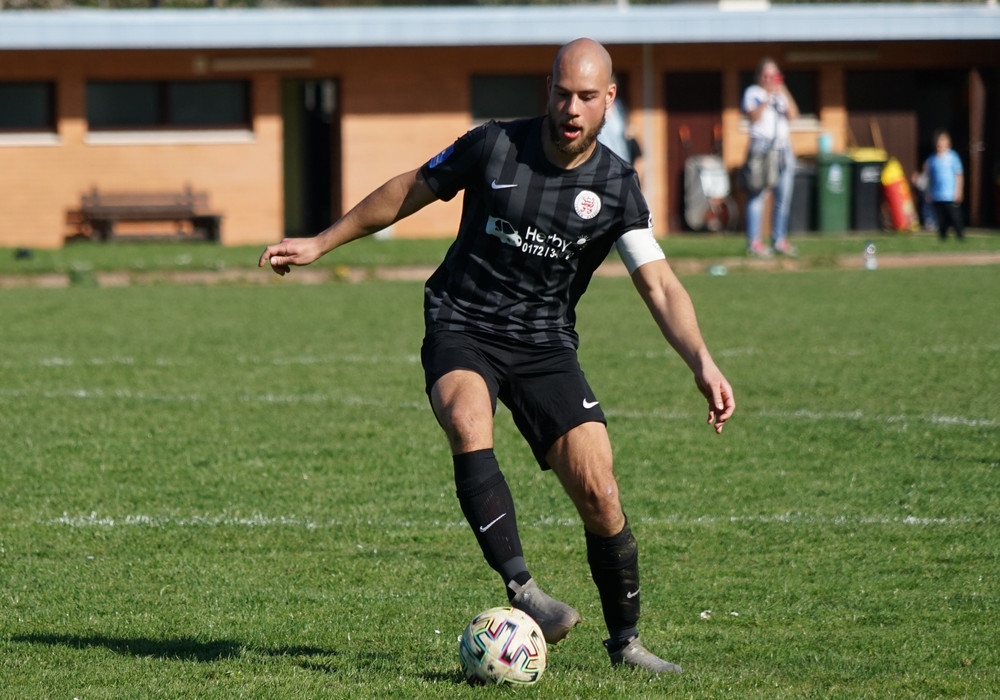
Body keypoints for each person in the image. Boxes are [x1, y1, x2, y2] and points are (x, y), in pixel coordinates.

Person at [259, 38, 734, 675]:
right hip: (462, 322)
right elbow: (409, 188)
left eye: (585, 97)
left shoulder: (617, 185)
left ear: (609, 99)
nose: (571, 108)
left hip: (545, 343)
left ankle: (627, 644)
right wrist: (322, 242)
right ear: (548, 90)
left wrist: (702, 361)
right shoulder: (494, 145)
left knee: (600, 491)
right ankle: (524, 591)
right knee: (466, 418)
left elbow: (660, 285)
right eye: (561, 93)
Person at [741, 57, 800, 258]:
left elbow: (793, 115)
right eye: (766, 76)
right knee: (758, 195)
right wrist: (767, 98)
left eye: (773, 76)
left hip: (783, 149)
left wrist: (783, 91)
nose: (769, 79)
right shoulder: (753, 93)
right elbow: (753, 117)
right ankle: (754, 242)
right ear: (759, 77)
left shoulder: (781, 94)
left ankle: (779, 240)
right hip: (762, 149)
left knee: (783, 197)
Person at [921, 129, 964, 240]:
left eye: (942, 141)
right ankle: (943, 237)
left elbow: (958, 175)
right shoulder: (932, 159)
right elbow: (928, 176)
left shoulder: (953, 157)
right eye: (938, 141)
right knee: (941, 219)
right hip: (937, 194)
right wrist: (929, 191)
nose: (940, 144)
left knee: (954, 216)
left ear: (948, 142)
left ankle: (960, 235)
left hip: (950, 194)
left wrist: (958, 190)